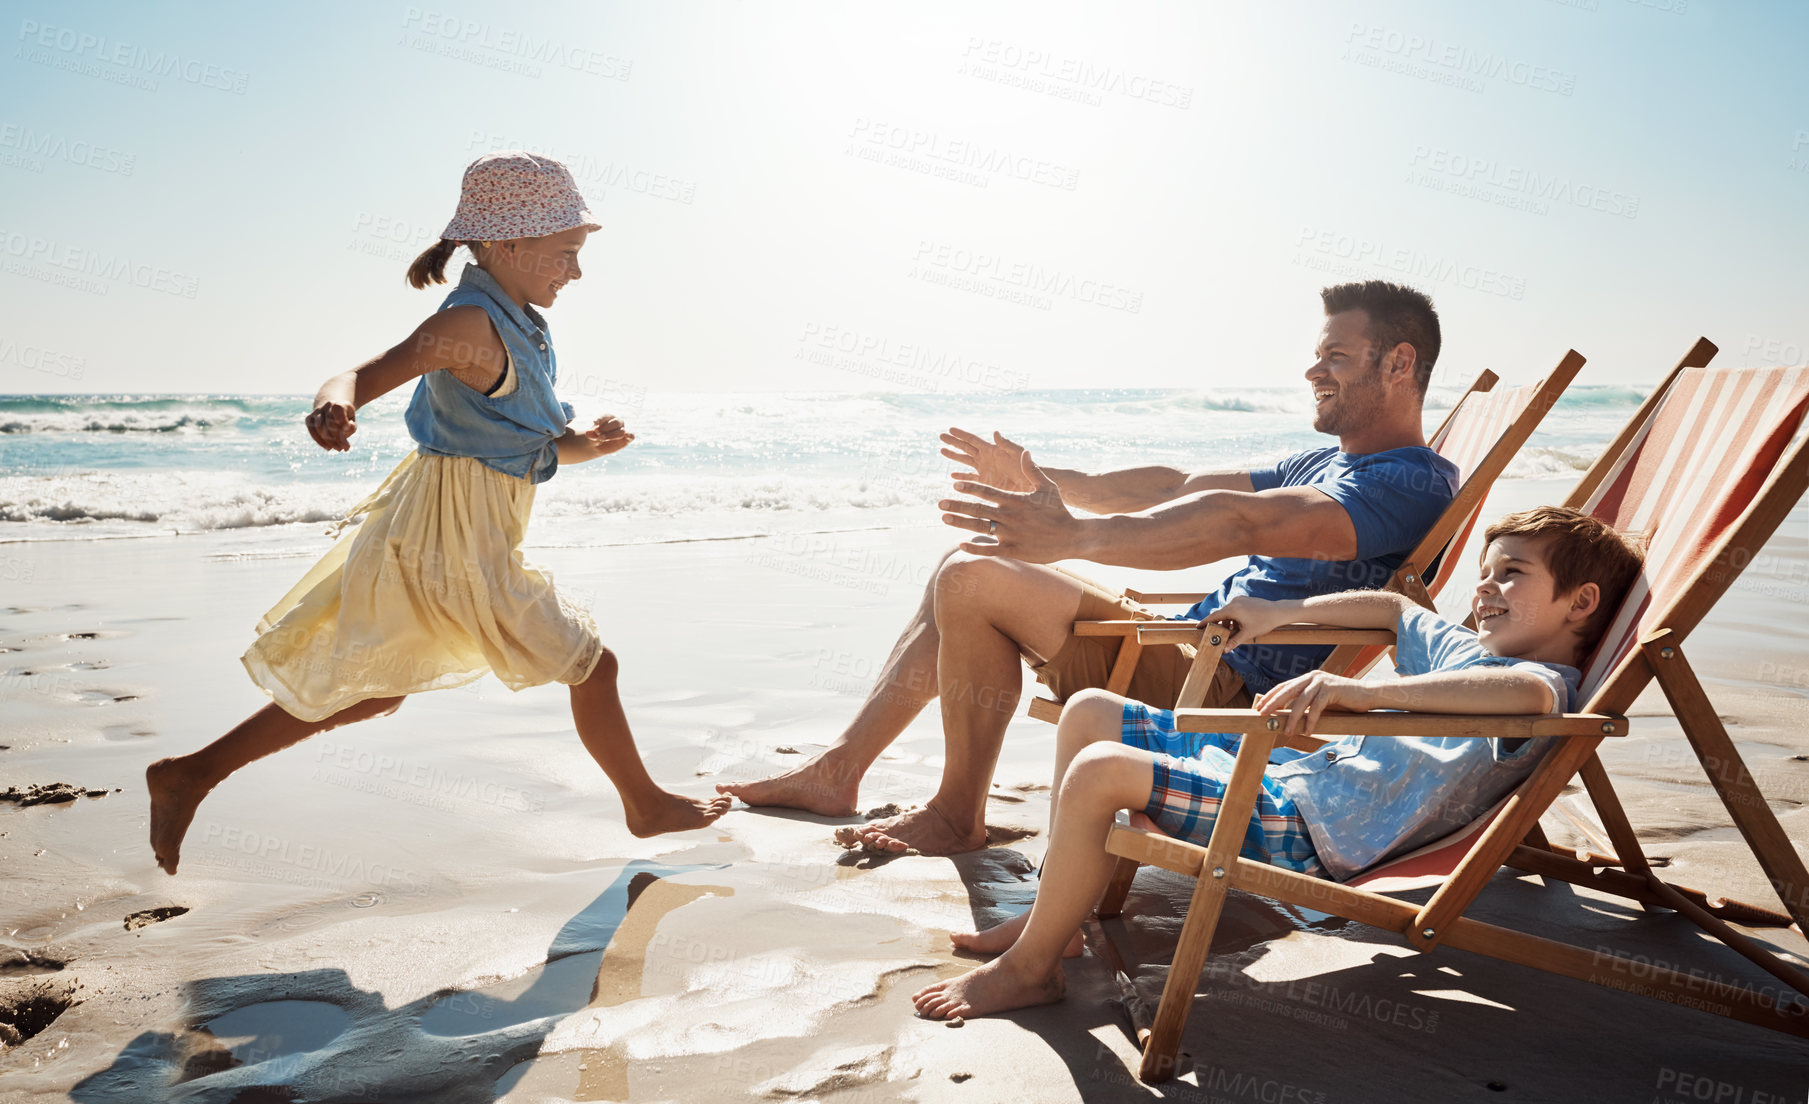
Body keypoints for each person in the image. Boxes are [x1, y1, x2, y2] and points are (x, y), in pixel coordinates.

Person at [721, 281, 1460, 856]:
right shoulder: (1331, 460)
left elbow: (1245, 523)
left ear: (1397, 364)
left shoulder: (1405, 482)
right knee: (966, 560)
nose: (1311, 369)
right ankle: (840, 771)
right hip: (1184, 644)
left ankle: (953, 815)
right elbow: (1180, 487)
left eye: (1333, 355)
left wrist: (1074, 537)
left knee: (971, 579)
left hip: (1222, 684)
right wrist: (1050, 482)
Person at [146, 152, 729, 875]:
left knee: (376, 689)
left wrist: (586, 445)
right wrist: (337, 403)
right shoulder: (468, 325)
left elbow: (522, 445)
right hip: (454, 547)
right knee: (592, 664)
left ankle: (192, 772)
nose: (575, 273)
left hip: (436, 534)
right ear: (507, 245)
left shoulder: (521, 324)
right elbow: (363, 372)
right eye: (566, 254)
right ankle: (643, 806)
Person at [909, 505, 1644, 1020]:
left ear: (1580, 603)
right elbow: (1391, 613)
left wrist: (1354, 691)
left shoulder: (1544, 688)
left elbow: (1517, 695)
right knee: (1091, 709)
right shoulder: (1472, 649)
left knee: (1102, 766)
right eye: (1485, 572)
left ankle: (1032, 971)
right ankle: (1054, 917)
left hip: (1312, 837)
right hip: (1284, 787)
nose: (1483, 589)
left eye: (1510, 574)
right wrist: (1275, 614)